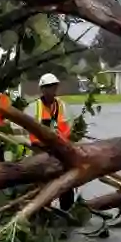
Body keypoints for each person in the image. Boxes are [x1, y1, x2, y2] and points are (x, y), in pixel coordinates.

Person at [27, 73, 74, 209]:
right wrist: (40, 144)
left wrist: (60, 141)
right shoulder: (33, 107)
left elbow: (68, 128)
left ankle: (67, 210)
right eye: (48, 87)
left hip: (59, 151)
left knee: (66, 182)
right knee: (42, 185)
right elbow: (29, 132)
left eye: (53, 87)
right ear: (42, 89)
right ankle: (43, 209)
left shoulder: (63, 106)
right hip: (40, 151)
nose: (51, 90)